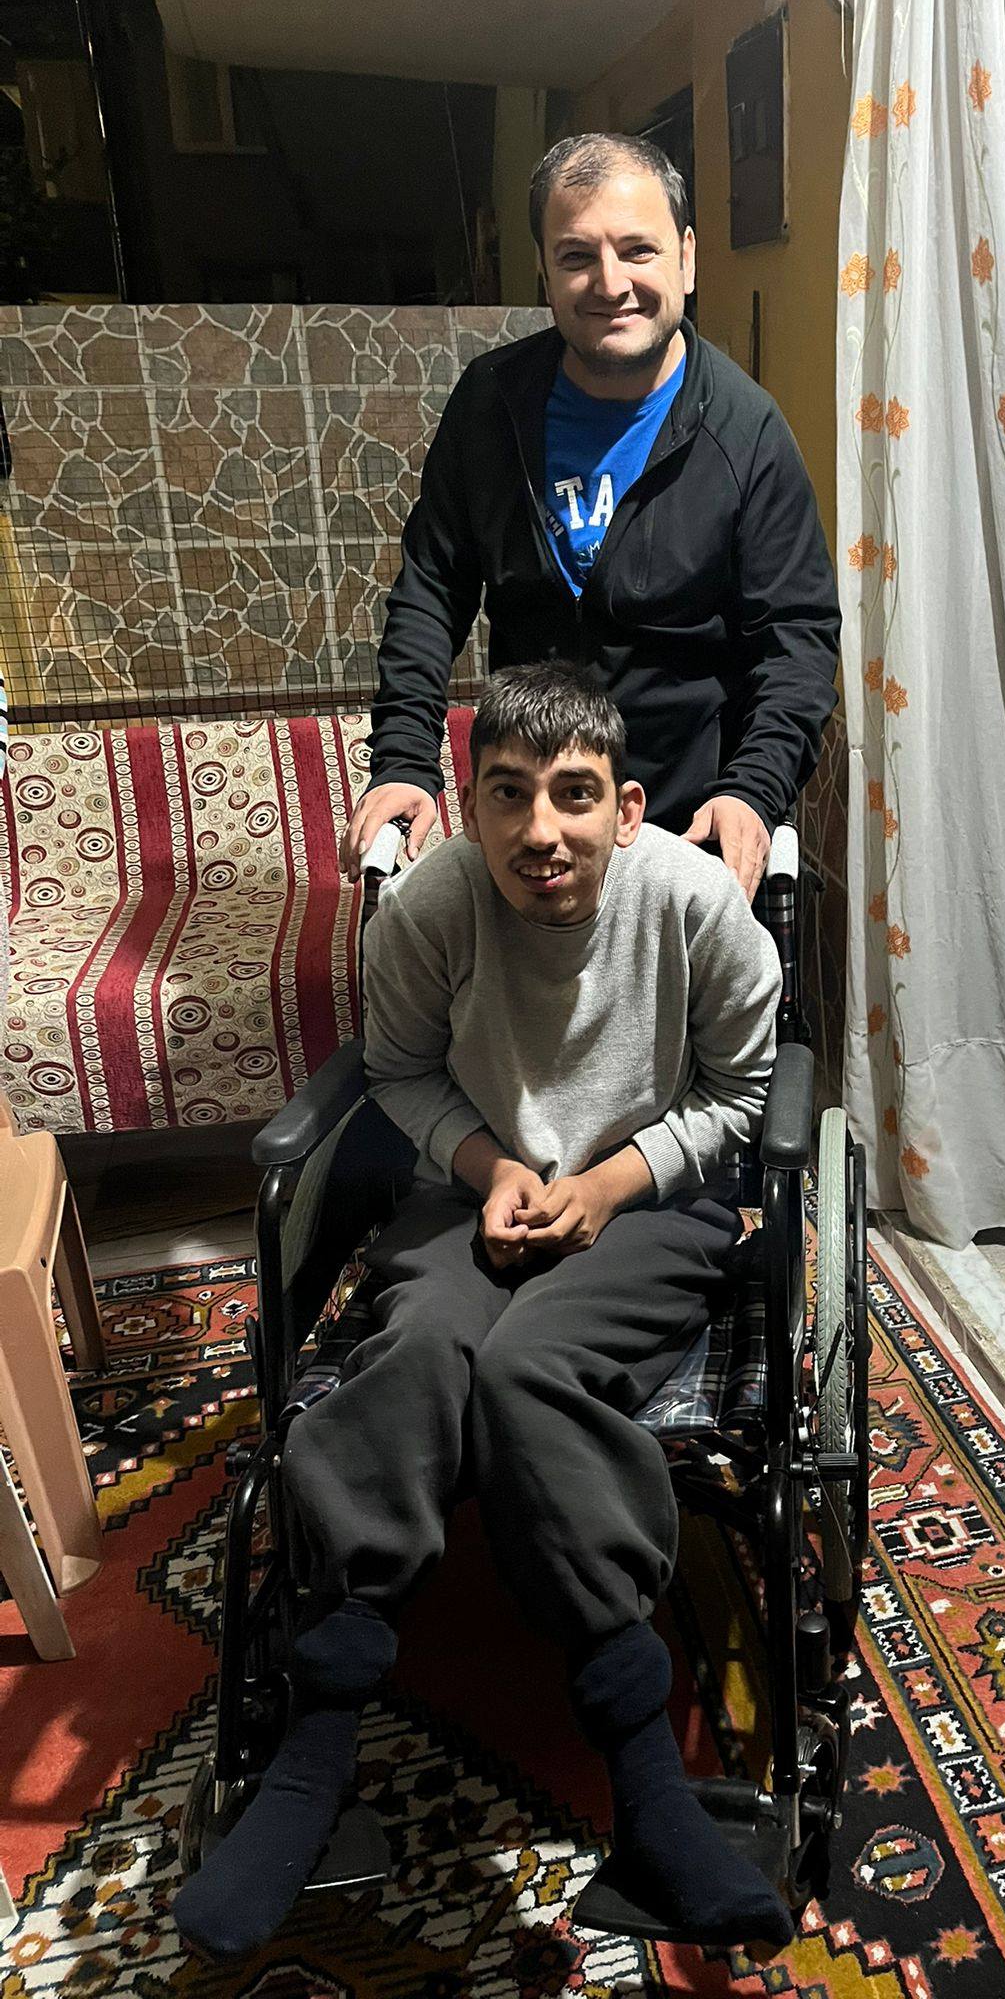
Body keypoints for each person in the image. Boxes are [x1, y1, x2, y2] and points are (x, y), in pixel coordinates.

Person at [174, 664, 793, 1957]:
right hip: (471, 1194)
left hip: (647, 1204)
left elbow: (740, 1095)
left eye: (573, 796)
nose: (540, 831)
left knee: (529, 1371)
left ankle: (649, 1792)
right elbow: (398, 1069)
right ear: (468, 808)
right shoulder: (437, 907)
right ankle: (314, 1756)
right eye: (507, 796)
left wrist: (608, 1183)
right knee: (416, 1349)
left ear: (628, 808)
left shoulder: (694, 908)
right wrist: (492, 1164)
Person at [339, 132, 839, 904]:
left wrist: (752, 788)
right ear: (544, 273)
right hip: (528, 823)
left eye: (639, 250)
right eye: (577, 257)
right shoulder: (491, 406)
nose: (611, 283)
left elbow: (797, 636)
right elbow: (432, 590)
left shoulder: (747, 433)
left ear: (687, 259)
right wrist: (403, 761)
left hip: (687, 830)